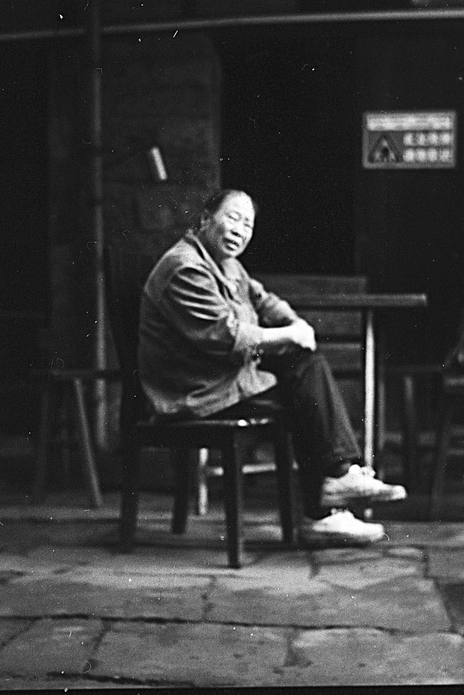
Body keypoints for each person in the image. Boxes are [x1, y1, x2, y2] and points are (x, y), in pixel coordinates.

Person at [138, 189, 406, 546]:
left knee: (306, 369)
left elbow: (264, 300)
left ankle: (334, 488)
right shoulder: (186, 267)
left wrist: (294, 323)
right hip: (198, 391)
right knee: (306, 396)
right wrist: (289, 335)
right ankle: (326, 505)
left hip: (224, 378)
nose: (240, 230)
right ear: (204, 220)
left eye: (248, 224)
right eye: (233, 218)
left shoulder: (225, 263)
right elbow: (226, 335)